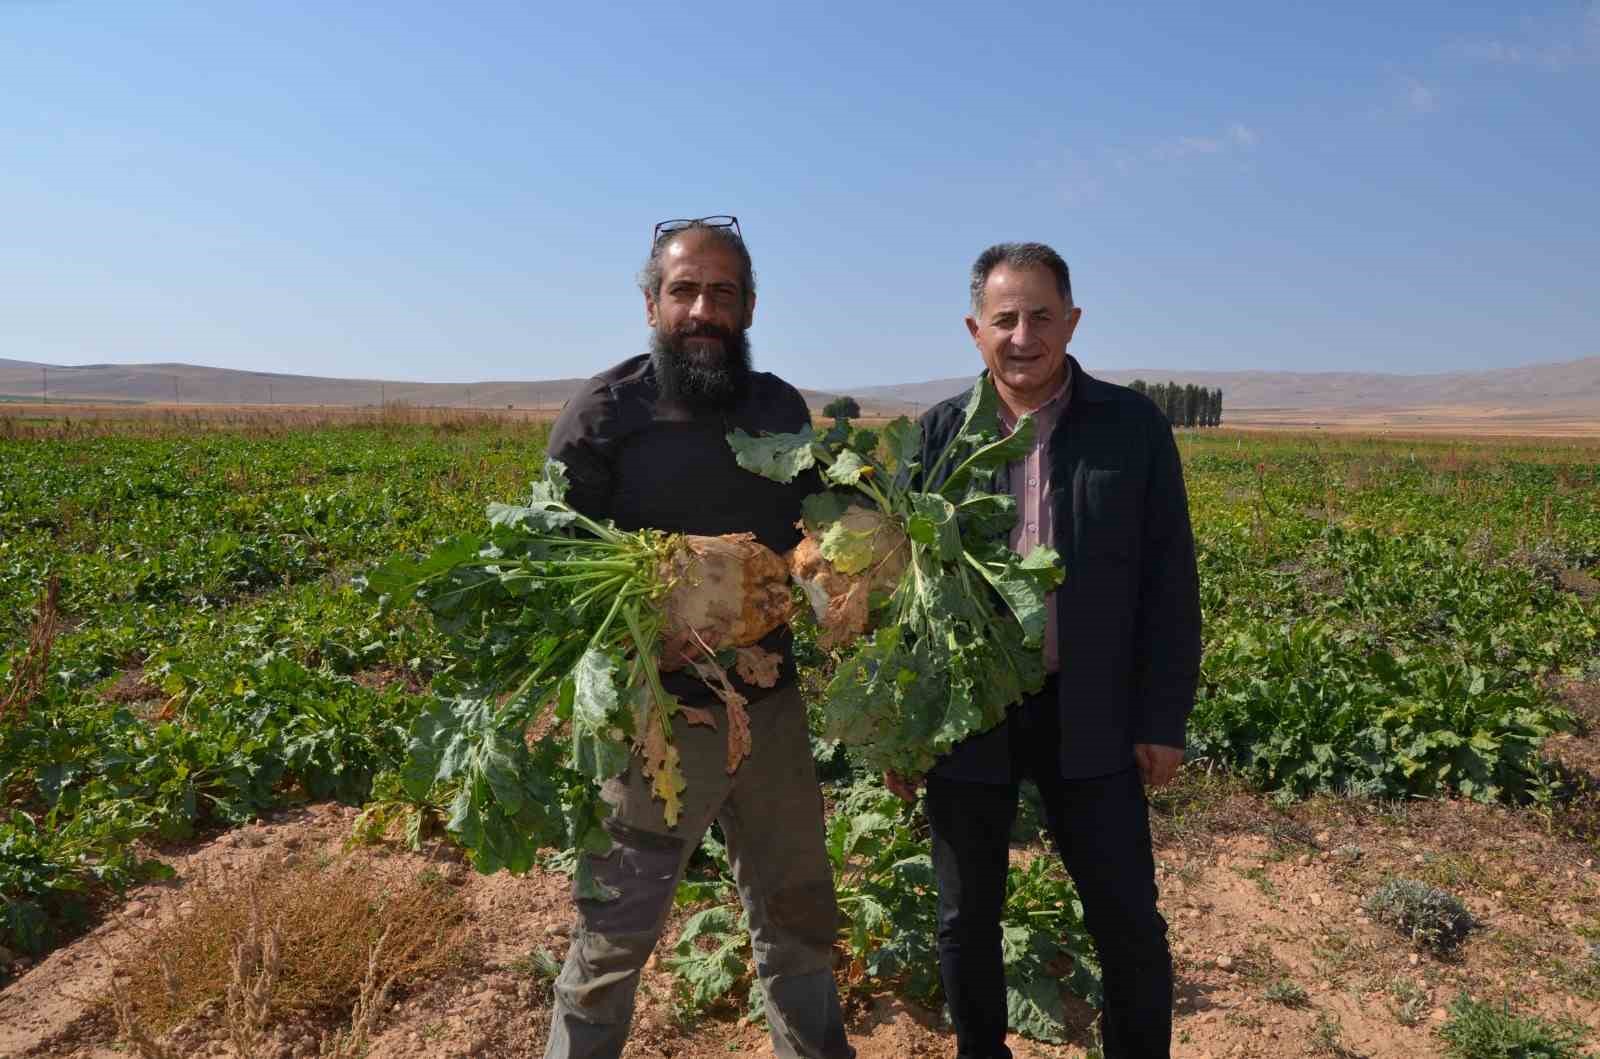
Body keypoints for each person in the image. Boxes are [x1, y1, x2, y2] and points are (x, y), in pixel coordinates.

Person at [542, 216, 854, 1059]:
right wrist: (647, 624)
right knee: (613, 938)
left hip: (771, 708)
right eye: (684, 290)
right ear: (652, 302)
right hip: (655, 723)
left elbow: (813, 532)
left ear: (749, 307)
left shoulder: (778, 407)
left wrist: (845, 564)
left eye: (722, 292)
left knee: (798, 920)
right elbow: (553, 565)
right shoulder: (606, 411)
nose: (702, 309)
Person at [886, 242, 1201, 1059]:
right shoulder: (935, 439)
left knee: (1127, 917)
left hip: (1090, 704)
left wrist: (1161, 714)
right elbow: (901, 599)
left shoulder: (1131, 429)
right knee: (965, 918)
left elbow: (1171, 580)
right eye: (1004, 318)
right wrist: (902, 729)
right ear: (974, 329)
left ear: (1072, 321)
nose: (1022, 335)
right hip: (968, 708)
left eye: (1040, 316)